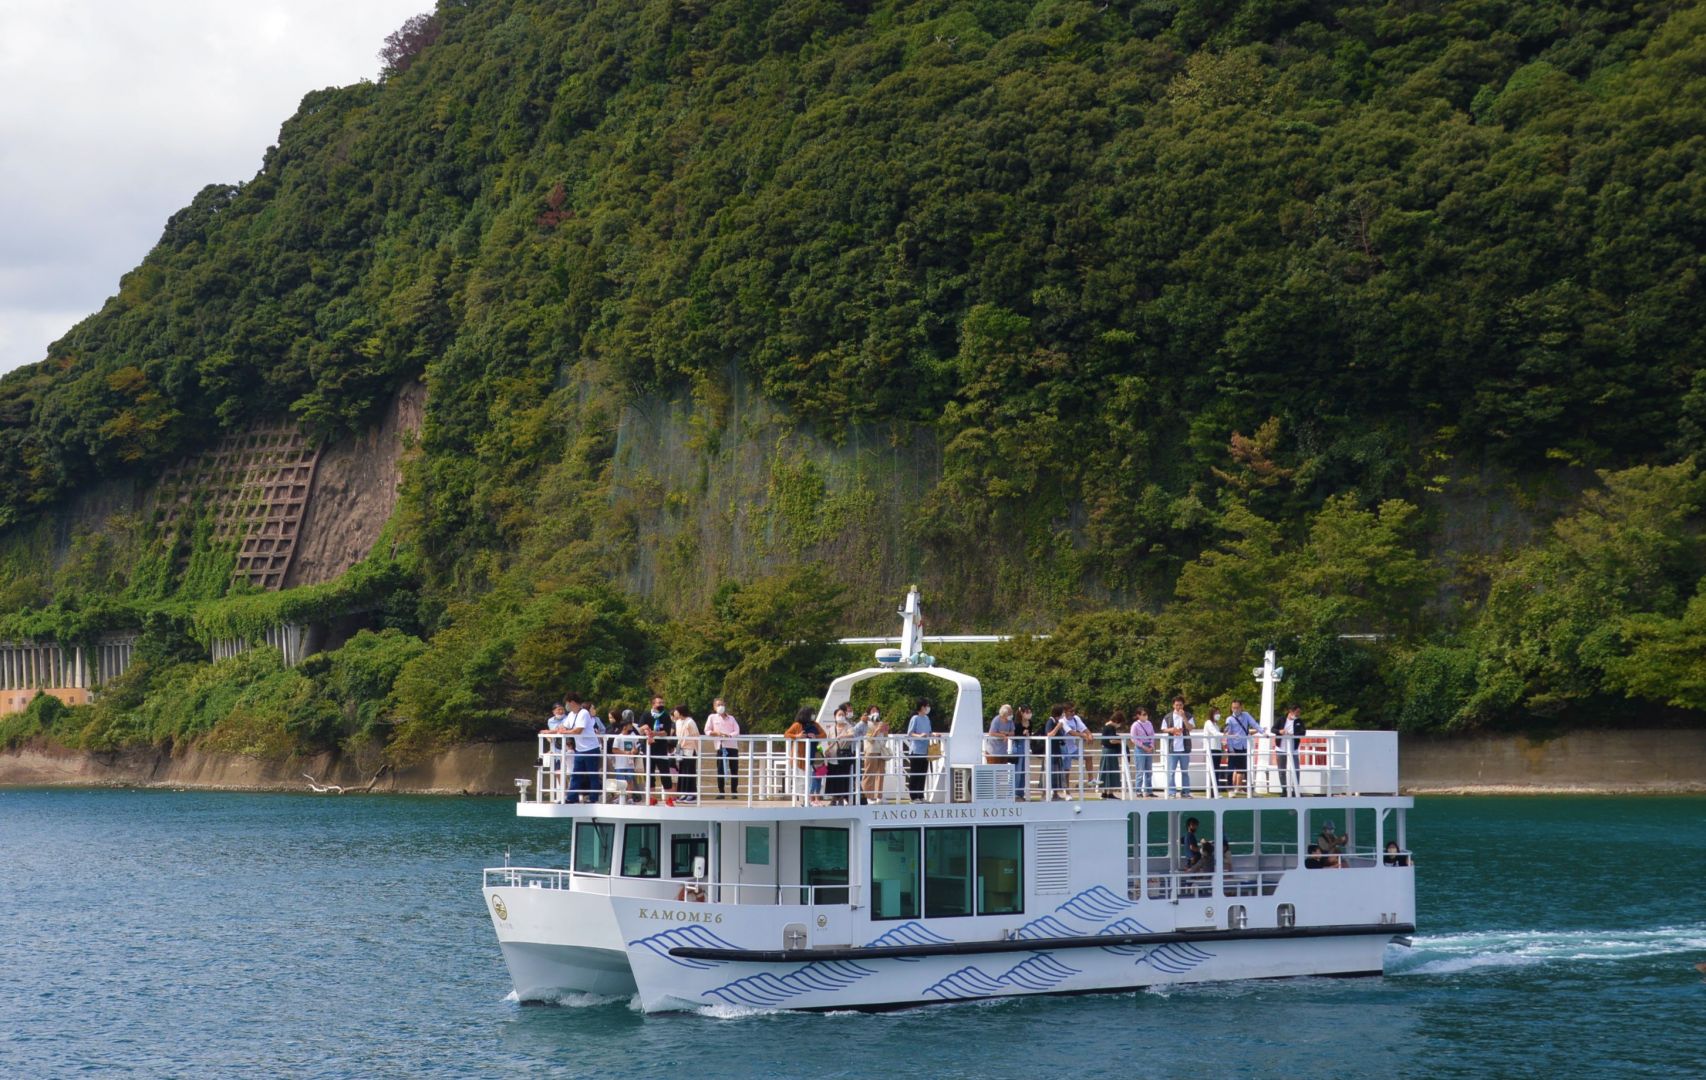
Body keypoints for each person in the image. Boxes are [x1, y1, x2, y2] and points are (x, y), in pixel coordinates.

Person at [784, 706, 826, 803]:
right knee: (802, 779)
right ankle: (804, 800)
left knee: (819, 776)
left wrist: (816, 736)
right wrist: (797, 736)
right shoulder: (797, 725)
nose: (813, 716)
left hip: (816, 754)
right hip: (801, 756)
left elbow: (824, 735)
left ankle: (816, 799)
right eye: (812, 714)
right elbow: (786, 734)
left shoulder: (815, 724)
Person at [564, 695, 601, 804]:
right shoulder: (571, 714)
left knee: (592, 775)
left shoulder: (584, 713)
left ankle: (593, 798)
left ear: (573, 702)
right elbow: (564, 726)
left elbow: (578, 730)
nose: (567, 705)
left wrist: (565, 732)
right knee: (576, 774)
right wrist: (550, 731)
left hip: (591, 749)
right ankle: (571, 797)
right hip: (580, 750)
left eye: (568, 703)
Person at [705, 698, 741, 797]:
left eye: (722, 704)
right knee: (720, 770)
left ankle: (734, 792)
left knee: (734, 769)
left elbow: (737, 731)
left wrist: (729, 735)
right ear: (714, 707)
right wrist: (716, 733)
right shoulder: (712, 717)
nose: (720, 707)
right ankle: (721, 792)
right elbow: (707, 730)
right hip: (720, 746)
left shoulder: (731, 718)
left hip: (732, 746)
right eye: (718, 705)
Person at [644, 700, 677, 805]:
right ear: (653, 704)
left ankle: (669, 798)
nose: (661, 704)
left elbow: (666, 732)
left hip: (661, 749)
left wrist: (654, 733)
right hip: (648, 750)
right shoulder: (646, 714)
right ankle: (651, 798)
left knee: (665, 773)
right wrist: (645, 729)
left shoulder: (666, 715)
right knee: (649, 774)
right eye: (659, 703)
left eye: (663, 702)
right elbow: (640, 728)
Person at [1162, 697, 1195, 797]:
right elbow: (1163, 729)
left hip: (1184, 748)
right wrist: (1171, 730)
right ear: (1173, 705)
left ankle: (1185, 792)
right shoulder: (1168, 717)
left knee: (1185, 771)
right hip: (1172, 748)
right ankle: (1172, 792)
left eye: (1180, 705)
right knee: (1171, 772)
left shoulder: (1188, 715)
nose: (1178, 707)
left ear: (1183, 705)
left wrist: (1184, 717)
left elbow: (1190, 728)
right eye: (1176, 705)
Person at [1224, 700, 1258, 794]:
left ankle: (1246, 789)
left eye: (1237, 707)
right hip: (1233, 747)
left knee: (1243, 769)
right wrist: (1230, 749)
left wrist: (1263, 731)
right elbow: (1227, 734)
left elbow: (1254, 724)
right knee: (1231, 769)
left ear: (1241, 707)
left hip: (1243, 746)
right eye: (1233, 708)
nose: (1235, 710)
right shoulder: (1229, 719)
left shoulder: (1246, 715)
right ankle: (1230, 789)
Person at [905, 700, 936, 802]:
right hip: (916, 750)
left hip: (925, 750)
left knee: (923, 773)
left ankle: (921, 795)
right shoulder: (915, 718)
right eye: (926, 706)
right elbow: (910, 733)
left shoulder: (927, 718)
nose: (928, 708)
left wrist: (935, 735)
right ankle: (913, 797)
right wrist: (919, 736)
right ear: (922, 707)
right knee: (915, 774)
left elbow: (929, 732)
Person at [860, 706, 890, 805]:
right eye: (873, 710)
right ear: (869, 713)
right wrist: (877, 730)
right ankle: (868, 796)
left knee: (881, 774)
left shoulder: (882, 723)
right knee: (869, 774)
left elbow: (885, 738)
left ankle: (879, 796)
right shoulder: (867, 724)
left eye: (877, 710)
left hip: (881, 751)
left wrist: (885, 731)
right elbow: (870, 739)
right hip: (871, 751)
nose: (875, 712)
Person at [825, 704, 855, 805]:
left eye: (842, 714)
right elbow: (829, 742)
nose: (841, 716)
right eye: (839, 715)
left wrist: (843, 735)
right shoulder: (831, 729)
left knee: (843, 777)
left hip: (843, 756)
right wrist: (827, 751)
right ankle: (834, 798)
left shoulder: (848, 726)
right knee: (833, 778)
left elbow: (852, 734)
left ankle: (841, 798)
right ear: (835, 717)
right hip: (833, 756)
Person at [986, 704, 1017, 795]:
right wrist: (1002, 735)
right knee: (993, 773)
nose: (1011, 714)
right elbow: (991, 733)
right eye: (1010, 713)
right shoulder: (996, 720)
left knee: (1002, 773)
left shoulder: (1010, 722)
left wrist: (1005, 733)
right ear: (1004, 714)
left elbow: (1012, 733)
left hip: (1003, 751)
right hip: (993, 751)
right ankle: (991, 793)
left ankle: (1000, 793)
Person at [1273, 705, 1304, 796]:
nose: (1298, 714)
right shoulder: (1281, 719)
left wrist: (1294, 734)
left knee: (1296, 769)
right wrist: (1280, 732)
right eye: (1297, 712)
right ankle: (1284, 790)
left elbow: (1303, 732)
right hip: (1281, 749)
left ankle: (1296, 790)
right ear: (1291, 711)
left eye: (1299, 712)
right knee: (1282, 770)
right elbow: (1273, 729)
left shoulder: (1299, 721)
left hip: (1293, 749)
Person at [673, 705, 700, 803]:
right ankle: (683, 792)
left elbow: (696, 737)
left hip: (690, 750)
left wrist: (698, 752)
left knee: (690, 771)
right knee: (682, 771)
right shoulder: (678, 722)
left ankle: (692, 794)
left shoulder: (690, 722)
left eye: (676, 711)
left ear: (681, 712)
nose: (674, 713)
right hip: (681, 750)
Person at [610, 712, 639, 802]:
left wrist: (634, 751)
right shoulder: (618, 737)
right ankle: (621, 796)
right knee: (620, 781)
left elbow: (637, 748)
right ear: (624, 727)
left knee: (630, 781)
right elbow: (614, 750)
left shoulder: (633, 736)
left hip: (630, 764)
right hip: (620, 764)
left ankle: (630, 797)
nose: (631, 727)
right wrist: (625, 752)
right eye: (629, 725)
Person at [1128, 707, 1157, 797]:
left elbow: (1152, 735)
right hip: (1140, 748)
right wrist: (1143, 746)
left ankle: (1149, 791)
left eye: (1146, 714)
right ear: (1138, 715)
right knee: (1140, 771)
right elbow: (1133, 738)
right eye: (1143, 714)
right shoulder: (1135, 725)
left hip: (1149, 746)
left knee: (1149, 770)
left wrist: (1151, 745)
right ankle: (1138, 791)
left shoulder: (1149, 723)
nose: (1145, 716)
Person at [1100, 711, 1125, 798]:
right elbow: (1111, 740)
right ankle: (1109, 793)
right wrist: (1121, 741)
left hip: (1105, 751)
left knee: (1105, 771)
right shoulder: (1111, 727)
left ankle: (1104, 792)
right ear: (1117, 721)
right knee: (1111, 770)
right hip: (1110, 751)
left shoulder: (1105, 726)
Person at [1201, 708, 1225, 793]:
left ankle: (1215, 791)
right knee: (1213, 770)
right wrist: (1226, 734)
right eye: (1216, 713)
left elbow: (1218, 737)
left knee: (1216, 770)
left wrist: (1222, 748)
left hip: (1217, 749)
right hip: (1211, 749)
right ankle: (1212, 791)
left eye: (1219, 713)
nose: (1218, 715)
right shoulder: (1208, 723)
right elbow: (1215, 733)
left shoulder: (1216, 725)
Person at [1014, 706, 1036, 801]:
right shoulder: (1017, 723)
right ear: (1022, 713)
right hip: (1018, 746)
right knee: (1017, 771)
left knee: (1024, 771)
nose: (1029, 714)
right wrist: (1022, 733)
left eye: (1030, 712)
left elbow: (1030, 734)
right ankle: (1014, 793)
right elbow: (1015, 735)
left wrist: (1028, 734)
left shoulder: (1030, 723)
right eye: (1027, 712)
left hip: (1026, 747)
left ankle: (1020, 793)